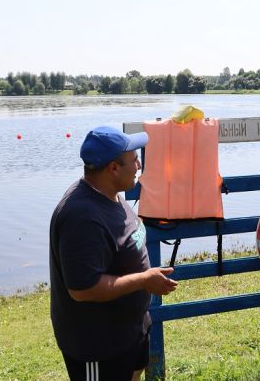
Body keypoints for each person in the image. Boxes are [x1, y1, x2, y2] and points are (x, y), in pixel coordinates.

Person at [49, 126, 178, 381]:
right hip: (98, 345)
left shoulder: (112, 194)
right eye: (134, 160)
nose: (139, 164)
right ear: (113, 168)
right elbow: (83, 289)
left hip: (129, 329)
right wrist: (144, 280)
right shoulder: (82, 217)